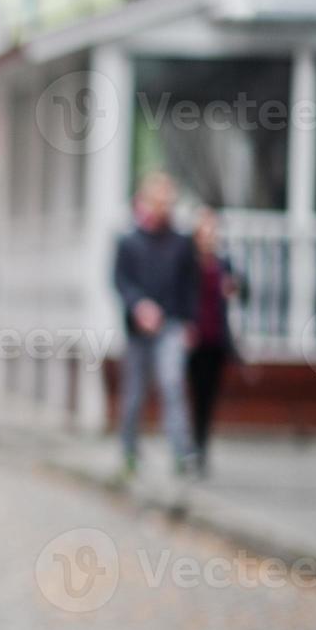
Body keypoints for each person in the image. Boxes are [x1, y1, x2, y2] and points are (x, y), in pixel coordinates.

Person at [112, 171, 199, 478]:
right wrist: (138, 306)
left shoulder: (182, 243)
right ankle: (129, 451)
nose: (164, 207)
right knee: (134, 393)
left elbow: (191, 285)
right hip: (138, 330)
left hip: (172, 324)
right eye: (159, 201)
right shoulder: (128, 241)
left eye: (168, 202)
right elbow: (120, 281)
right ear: (146, 201)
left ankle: (181, 452)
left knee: (172, 383)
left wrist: (190, 322)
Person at [186, 206, 242, 477]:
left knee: (208, 396)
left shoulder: (224, 263)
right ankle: (189, 446)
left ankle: (202, 447)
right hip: (192, 338)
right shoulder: (187, 261)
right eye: (204, 230)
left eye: (212, 231)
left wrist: (234, 286)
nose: (209, 236)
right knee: (191, 394)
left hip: (216, 338)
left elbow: (243, 289)